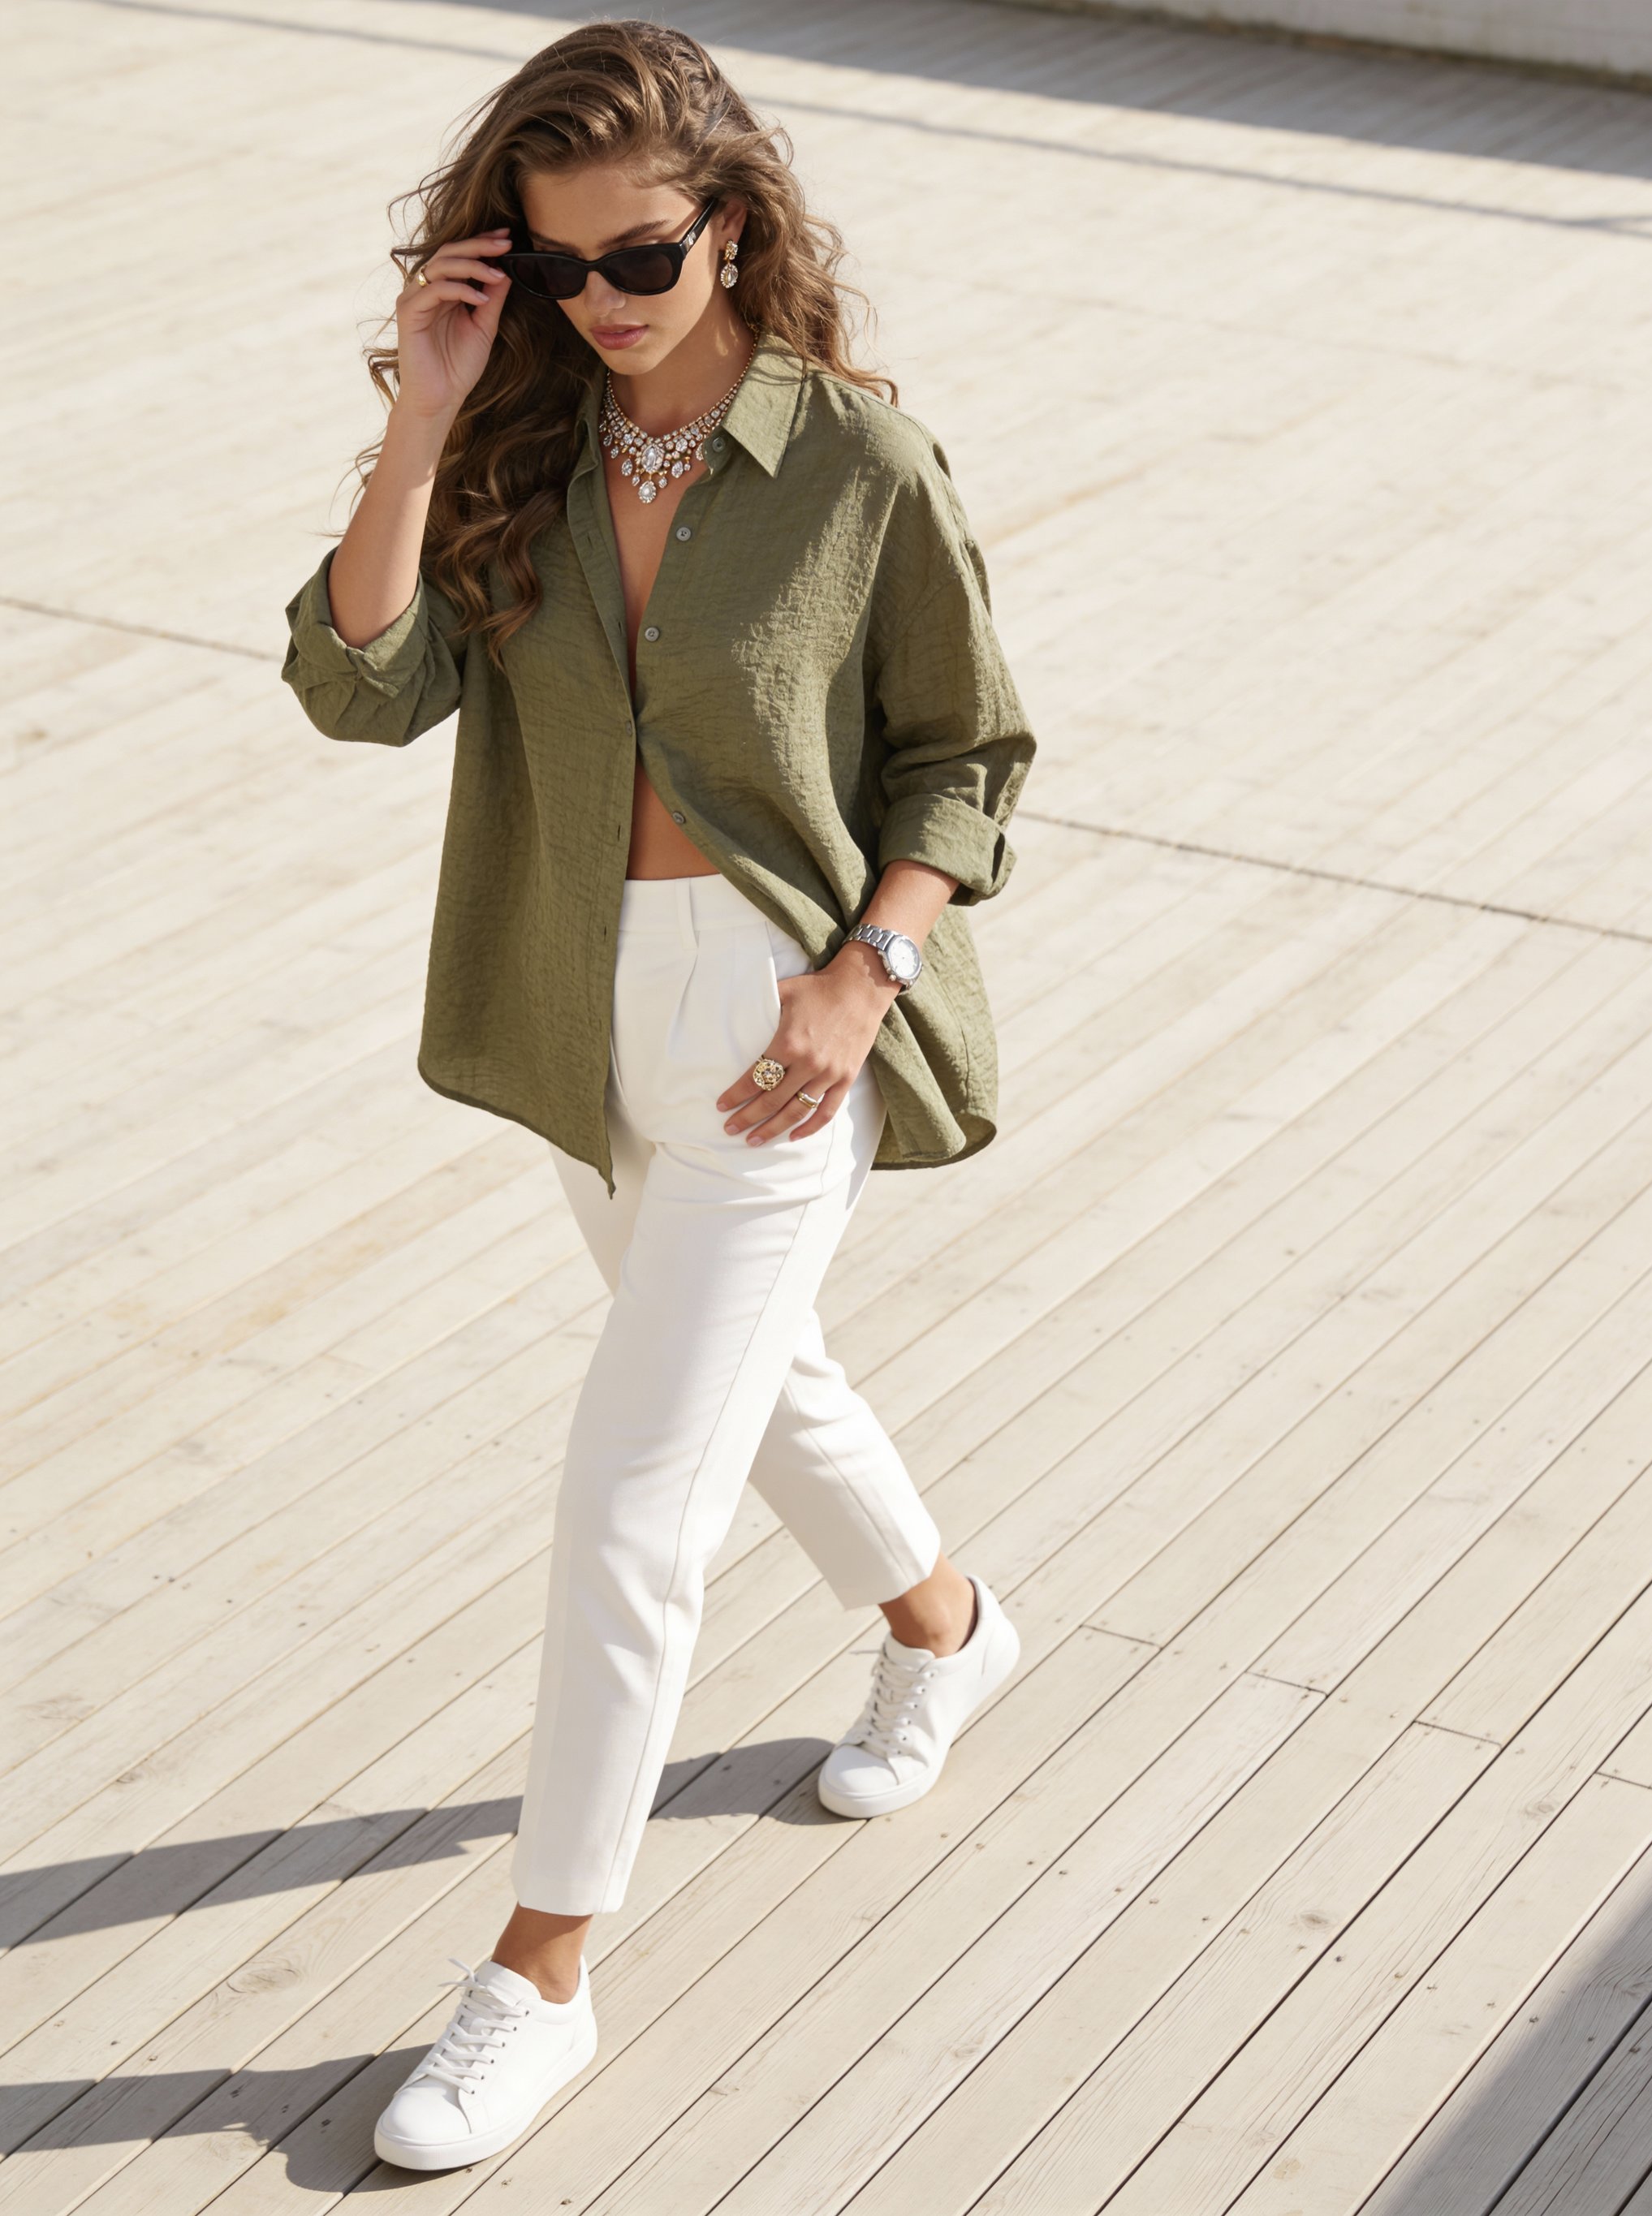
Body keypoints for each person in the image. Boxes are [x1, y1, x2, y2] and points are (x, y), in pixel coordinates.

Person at [280, 18, 1035, 2174]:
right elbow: (360, 684)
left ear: (737, 229)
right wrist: (424, 417)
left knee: (631, 1499)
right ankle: (949, 1628)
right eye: (555, 270)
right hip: (570, 1007)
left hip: (786, 1026)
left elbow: (966, 757)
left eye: (643, 262)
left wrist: (855, 973)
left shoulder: (861, 471)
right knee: (756, 1380)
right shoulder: (522, 447)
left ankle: (538, 1972)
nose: (603, 308)